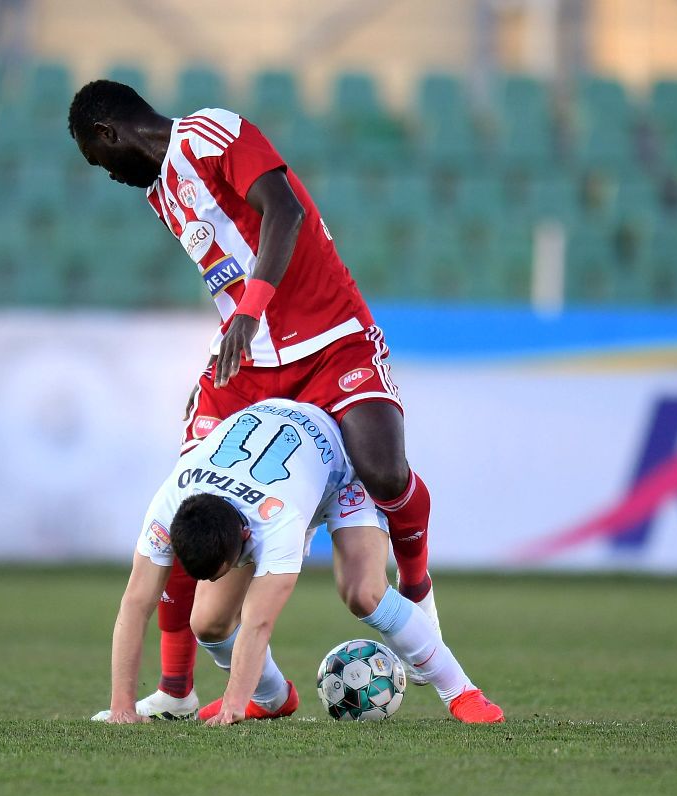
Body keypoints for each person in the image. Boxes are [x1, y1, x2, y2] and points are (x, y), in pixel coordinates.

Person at [68, 80, 442, 718]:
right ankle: (178, 691)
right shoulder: (162, 195)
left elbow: (285, 211)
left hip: (327, 336)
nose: (107, 175)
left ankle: (416, 584)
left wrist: (251, 308)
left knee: (383, 471)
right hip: (249, 362)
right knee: (193, 498)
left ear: (109, 133)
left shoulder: (213, 131)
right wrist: (231, 341)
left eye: (98, 162)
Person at [94, 399, 503, 725]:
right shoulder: (168, 504)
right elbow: (135, 604)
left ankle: (461, 691)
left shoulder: (278, 522)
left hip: (338, 467)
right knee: (209, 622)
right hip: (271, 462)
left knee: (364, 592)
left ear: (245, 539)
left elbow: (258, 621)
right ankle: (272, 699)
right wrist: (121, 706)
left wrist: (232, 705)